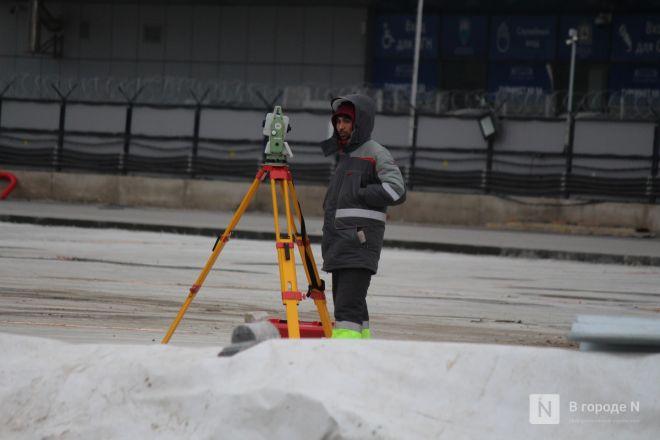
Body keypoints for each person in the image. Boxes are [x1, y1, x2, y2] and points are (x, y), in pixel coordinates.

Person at [320, 94, 406, 339]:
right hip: (342, 244)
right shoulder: (349, 155)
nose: (341, 126)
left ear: (361, 122)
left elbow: (397, 189)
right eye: (338, 121)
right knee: (353, 307)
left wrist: (362, 192)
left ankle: (343, 358)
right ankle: (360, 350)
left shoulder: (375, 152)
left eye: (347, 121)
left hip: (358, 244)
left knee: (346, 309)